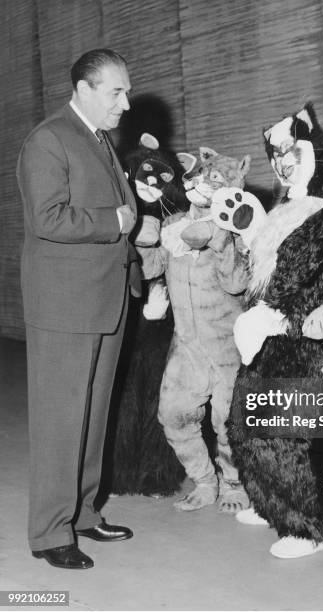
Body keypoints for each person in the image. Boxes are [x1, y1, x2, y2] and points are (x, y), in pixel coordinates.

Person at [16, 48, 140, 570]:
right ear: (84, 89)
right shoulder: (49, 139)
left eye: (126, 91)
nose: (126, 103)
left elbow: (122, 217)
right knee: (60, 421)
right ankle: (49, 532)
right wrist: (118, 221)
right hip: (65, 306)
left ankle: (84, 512)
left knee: (92, 417)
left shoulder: (99, 140)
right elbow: (49, 218)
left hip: (104, 299)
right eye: (116, 92)